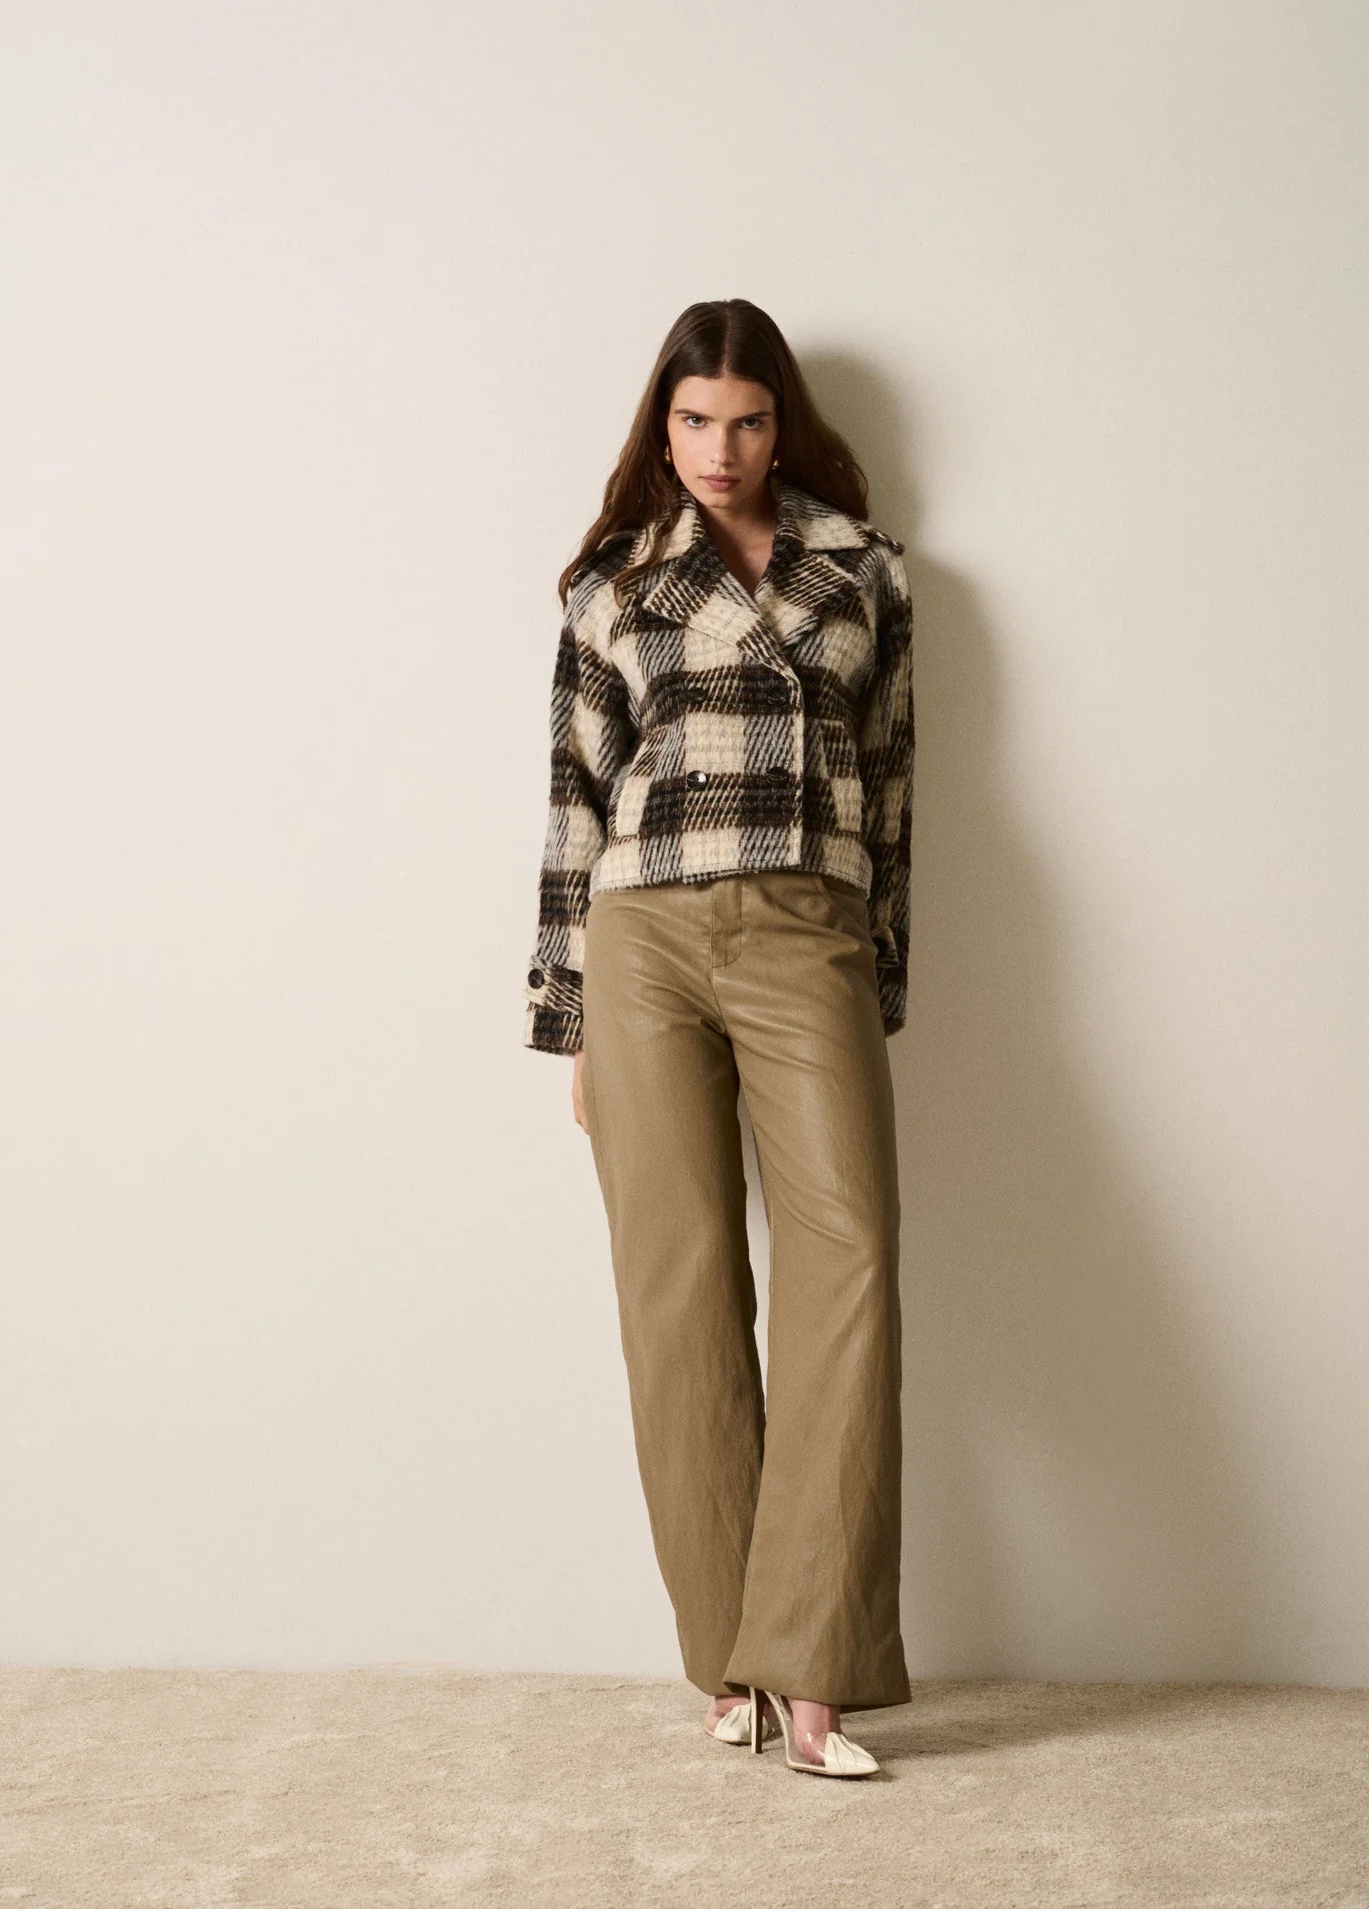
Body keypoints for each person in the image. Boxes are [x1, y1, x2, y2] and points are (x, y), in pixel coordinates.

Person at [522, 298, 915, 1779]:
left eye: (748, 421)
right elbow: (574, 799)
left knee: (849, 1255)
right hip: (643, 940)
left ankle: (809, 1668)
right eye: (696, 421)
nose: (722, 449)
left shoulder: (863, 571)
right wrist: (570, 1016)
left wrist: (876, 979)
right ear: (663, 424)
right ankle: (733, 1662)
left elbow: (894, 788)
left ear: (781, 423)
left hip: (807, 924)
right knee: (677, 1285)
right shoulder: (613, 582)